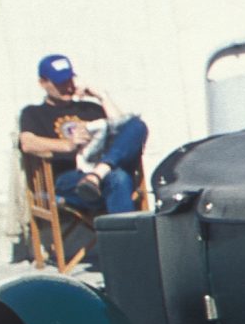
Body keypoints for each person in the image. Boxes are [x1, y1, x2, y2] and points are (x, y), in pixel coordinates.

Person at [17, 54, 148, 215]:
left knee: (136, 125)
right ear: (43, 83)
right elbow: (27, 143)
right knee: (119, 178)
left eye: (69, 79)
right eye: (60, 83)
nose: (67, 86)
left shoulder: (89, 108)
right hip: (70, 178)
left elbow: (122, 129)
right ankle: (127, 238)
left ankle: (99, 172)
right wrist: (68, 145)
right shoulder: (34, 113)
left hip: (102, 173)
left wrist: (102, 96)